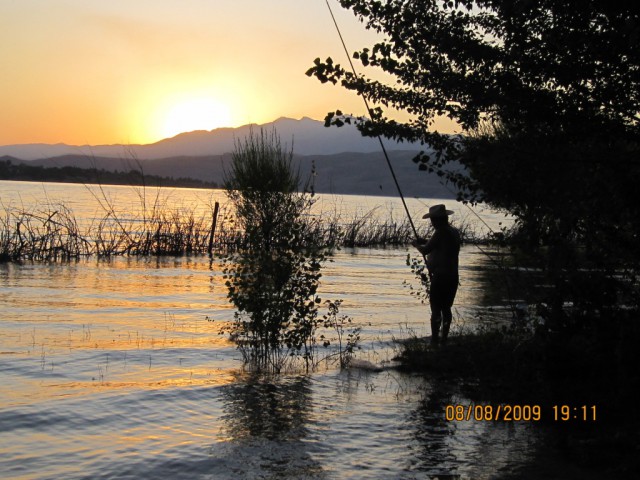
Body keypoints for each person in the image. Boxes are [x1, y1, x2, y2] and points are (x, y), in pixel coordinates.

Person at [412, 204, 461, 345]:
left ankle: (434, 340)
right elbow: (442, 246)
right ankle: (444, 339)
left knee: (435, 309)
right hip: (453, 276)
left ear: (438, 220)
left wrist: (416, 244)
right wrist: (425, 241)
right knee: (446, 308)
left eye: (433, 220)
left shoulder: (440, 232)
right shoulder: (453, 232)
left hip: (441, 276)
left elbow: (425, 251)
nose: (432, 223)